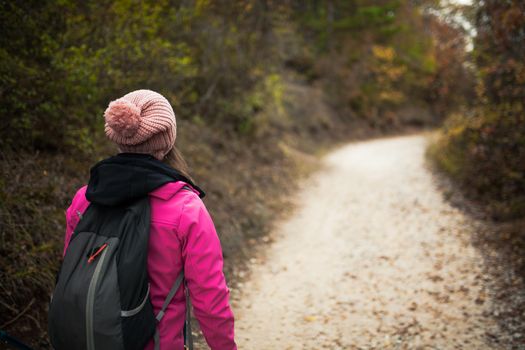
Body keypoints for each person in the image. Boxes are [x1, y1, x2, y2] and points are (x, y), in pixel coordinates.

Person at [62, 89, 237, 350]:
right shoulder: (186, 207)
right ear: (167, 139)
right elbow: (209, 296)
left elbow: (71, 271)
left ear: (119, 137)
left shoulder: (85, 198)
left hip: (88, 339)